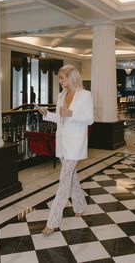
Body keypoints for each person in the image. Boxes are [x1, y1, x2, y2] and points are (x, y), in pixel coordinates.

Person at [36, 64, 94, 235]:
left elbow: (90, 119)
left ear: (71, 78)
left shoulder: (85, 95)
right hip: (62, 142)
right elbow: (60, 119)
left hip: (75, 144)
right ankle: (80, 205)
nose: (60, 80)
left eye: (62, 77)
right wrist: (46, 114)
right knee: (71, 177)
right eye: (60, 77)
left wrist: (71, 113)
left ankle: (53, 221)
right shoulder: (61, 95)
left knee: (63, 180)